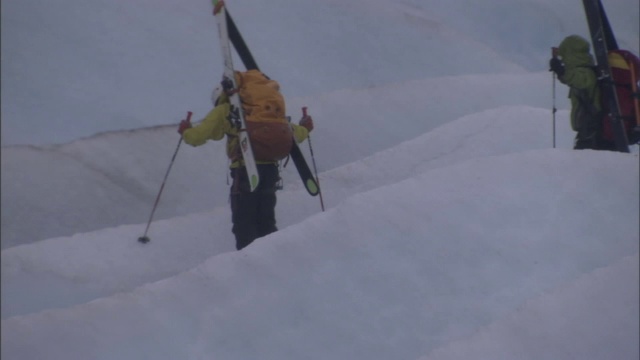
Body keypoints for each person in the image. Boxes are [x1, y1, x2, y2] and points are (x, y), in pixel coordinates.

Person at [178, 84, 314, 251]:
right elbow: (293, 133)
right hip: (270, 172)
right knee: (266, 221)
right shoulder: (265, 111)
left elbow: (197, 137)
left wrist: (186, 131)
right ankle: (274, 259)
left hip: (246, 170)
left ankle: (248, 267)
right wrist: (305, 128)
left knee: (244, 223)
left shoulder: (226, 110)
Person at [549, 34, 613, 150]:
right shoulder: (588, 70)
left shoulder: (586, 73)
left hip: (592, 132)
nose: (564, 59)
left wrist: (559, 69)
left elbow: (574, 79)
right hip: (590, 131)